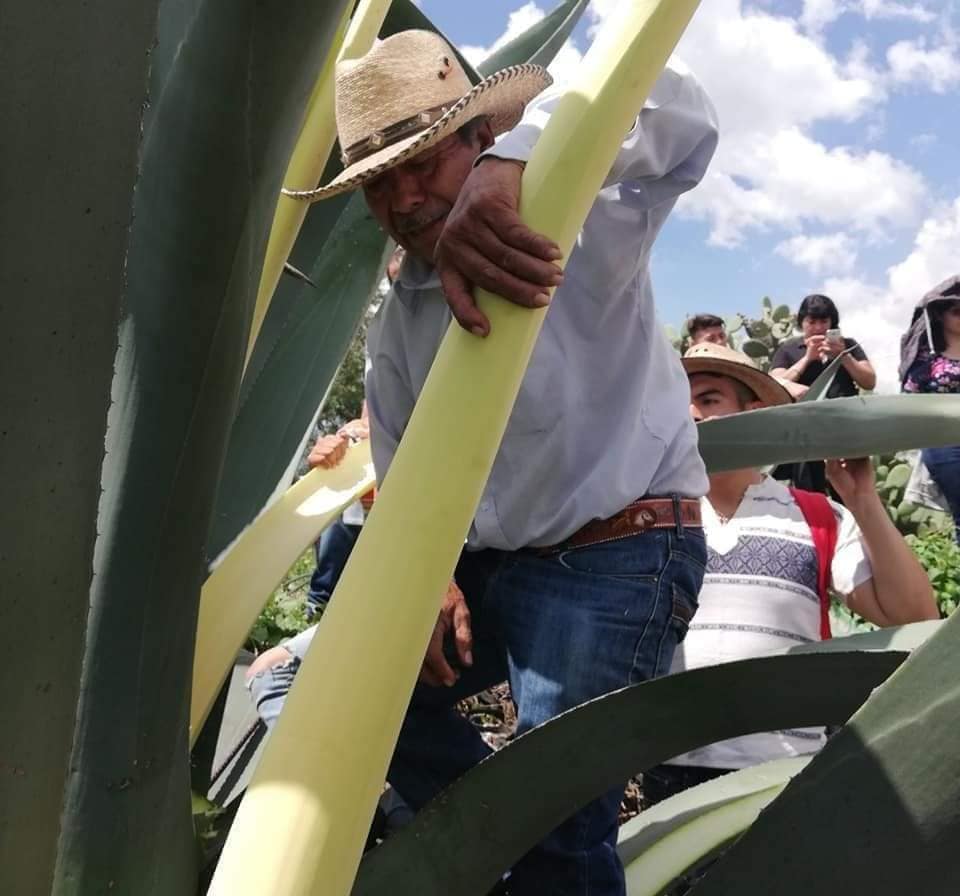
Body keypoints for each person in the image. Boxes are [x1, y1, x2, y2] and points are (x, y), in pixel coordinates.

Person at [294, 29, 719, 896]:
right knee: (350, 672)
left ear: (476, 138)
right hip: (494, 569)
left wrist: (525, 161)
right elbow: (406, 473)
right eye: (380, 183)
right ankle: (493, 838)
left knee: (558, 819)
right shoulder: (401, 323)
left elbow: (684, 114)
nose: (406, 197)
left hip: (618, 554)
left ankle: (521, 844)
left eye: (425, 163)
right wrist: (428, 582)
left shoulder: (575, 206)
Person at [642, 343, 937, 804]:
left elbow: (914, 615)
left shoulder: (817, 516)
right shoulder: (651, 516)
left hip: (782, 775)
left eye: (710, 399)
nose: (692, 414)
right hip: (667, 765)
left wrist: (863, 499)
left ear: (755, 413)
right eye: (682, 402)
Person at [770, 294, 876, 493]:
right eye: (812, 321)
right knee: (810, 496)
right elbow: (775, 382)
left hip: (846, 430)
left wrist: (843, 356)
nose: (818, 327)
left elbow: (869, 381)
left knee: (853, 493)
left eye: (824, 321)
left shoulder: (848, 345)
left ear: (832, 322)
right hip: (806, 435)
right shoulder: (789, 349)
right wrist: (807, 358)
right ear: (802, 323)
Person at [902, 275, 960, 542]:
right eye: (957, 311)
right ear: (940, 315)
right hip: (946, 445)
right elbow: (910, 401)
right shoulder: (927, 361)